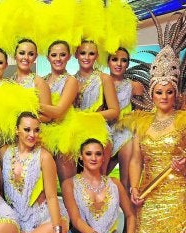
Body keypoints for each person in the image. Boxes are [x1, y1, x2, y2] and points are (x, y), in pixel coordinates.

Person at [107, 40, 186, 233]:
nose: (164, 96)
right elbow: (136, 159)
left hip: (178, 192)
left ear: (175, 94)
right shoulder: (142, 121)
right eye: (159, 91)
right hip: (150, 194)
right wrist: (135, 187)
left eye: (169, 91)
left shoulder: (184, 119)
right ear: (151, 94)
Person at [74, 40, 120, 174]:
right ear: (76, 54)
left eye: (91, 53)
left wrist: (89, 117)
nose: (86, 57)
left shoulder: (104, 78)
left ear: (97, 56)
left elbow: (114, 111)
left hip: (98, 130)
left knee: (97, 177)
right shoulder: (70, 80)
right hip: (74, 130)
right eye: (83, 53)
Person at [106, 47, 144, 190]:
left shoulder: (135, 86)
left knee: (126, 183)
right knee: (99, 178)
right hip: (105, 132)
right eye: (114, 59)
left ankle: (130, 212)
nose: (119, 64)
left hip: (125, 133)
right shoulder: (101, 82)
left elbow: (140, 115)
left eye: (124, 60)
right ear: (108, 62)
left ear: (128, 64)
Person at [41, 40, 80, 182]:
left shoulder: (71, 81)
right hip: (42, 130)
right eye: (54, 55)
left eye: (62, 55)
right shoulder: (42, 80)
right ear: (48, 57)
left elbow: (59, 112)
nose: (58, 59)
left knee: (67, 182)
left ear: (69, 57)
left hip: (63, 129)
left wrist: (31, 105)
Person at [11, 39, 52, 115]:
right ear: (15, 55)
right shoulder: (9, 81)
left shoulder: (39, 83)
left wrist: (21, 121)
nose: (26, 57)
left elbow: (48, 117)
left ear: (35, 57)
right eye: (22, 53)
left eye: (31, 54)